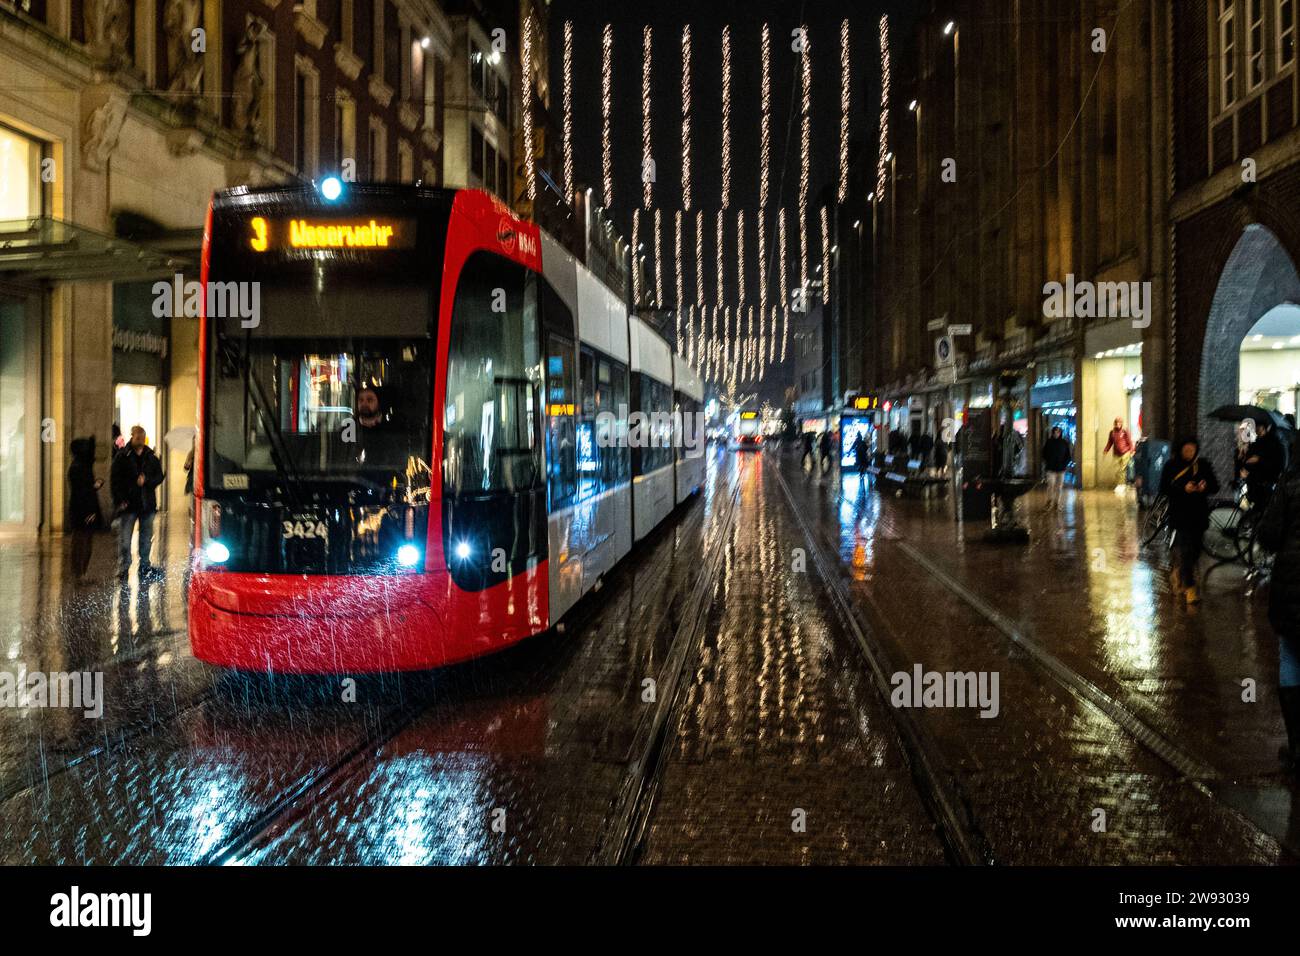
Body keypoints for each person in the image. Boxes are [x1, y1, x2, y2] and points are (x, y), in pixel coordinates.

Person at [1258, 458, 1300, 771]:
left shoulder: (1289, 484)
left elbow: (1269, 535)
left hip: (1292, 582)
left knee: (1290, 655)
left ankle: (1296, 745)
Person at [1159, 436, 1219, 605]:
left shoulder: (1203, 465)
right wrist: (1182, 488)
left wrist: (1204, 486)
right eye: (1186, 449)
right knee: (1185, 551)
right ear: (1180, 450)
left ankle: (1179, 573)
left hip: (1199, 515)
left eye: (1192, 449)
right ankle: (1190, 588)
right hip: (1180, 516)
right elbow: (1164, 488)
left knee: (1196, 551)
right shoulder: (1171, 466)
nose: (1189, 452)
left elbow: (1215, 486)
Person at [110, 425, 165, 583]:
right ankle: (124, 568)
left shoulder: (151, 456)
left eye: (142, 436)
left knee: (146, 538)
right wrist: (120, 500)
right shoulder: (123, 456)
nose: (139, 439)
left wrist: (146, 480)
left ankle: (144, 566)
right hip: (129, 505)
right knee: (125, 540)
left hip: (147, 505)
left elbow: (159, 477)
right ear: (131, 436)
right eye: (137, 436)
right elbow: (115, 480)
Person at [67, 436, 104, 581]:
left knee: (84, 542)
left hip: (83, 508)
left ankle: (81, 573)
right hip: (83, 510)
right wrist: (89, 512)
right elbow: (82, 491)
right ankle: (79, 574)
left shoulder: (81, 465)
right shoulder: (79, 467)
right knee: (82, 543)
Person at [1241, 420, 1284, 513]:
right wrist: (1244, 455)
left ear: (1264, 427)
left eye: (1258, 426)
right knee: (1253, 511)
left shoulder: (1273, 443)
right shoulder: (1255, 442)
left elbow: (1276, 464)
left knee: (1262, 511)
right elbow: (1248, 460)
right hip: (1253, 484)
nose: (1256, 428)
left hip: (1265, 485)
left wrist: (1259, 460)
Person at [1041, 426, 1072, 510]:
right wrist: (1048, 461)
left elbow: (1068, 456)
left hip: (1061, 469)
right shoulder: (1049, 442)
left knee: (1059, 487)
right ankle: (1049, 502)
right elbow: (1044, 454)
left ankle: (1057, 503)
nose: (1056, 434)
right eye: (1055, 432)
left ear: (1060, 433)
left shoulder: (1064, 443)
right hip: (1050, 469)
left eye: (1058, 432)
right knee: (1050, 485)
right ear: (1052, 433)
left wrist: (1064, 464)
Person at [1103, 417, 1135, 495]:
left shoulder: (1124, 431)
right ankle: (1120, 484)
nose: (1118, 424)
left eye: (1119, 423)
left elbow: (1129, 441)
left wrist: (1132, 450)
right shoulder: (1112, 432)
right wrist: (1106, 450)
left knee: (1122, 470)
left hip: (1125, 453)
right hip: (1116, 454)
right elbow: (1110, 442)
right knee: (1117, 470)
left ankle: (1122, 485)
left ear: (1122, 423)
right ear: (1115, 423)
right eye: (1117, 423)